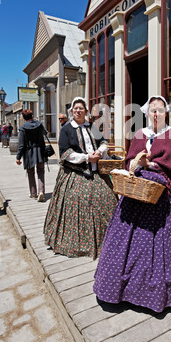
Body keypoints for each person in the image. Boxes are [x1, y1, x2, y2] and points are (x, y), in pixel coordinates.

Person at [93, 96, 171, 313]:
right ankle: (122, 288)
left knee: (170, 240)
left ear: (166, 113)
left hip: (163, 193)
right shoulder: (139, 134)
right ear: (147, 113)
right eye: (153, 110)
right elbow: (129, 161)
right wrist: (138, 164)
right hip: (137, 191)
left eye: (160, 110)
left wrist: (152, 164)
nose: (156, 114)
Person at [43, 97, 118, 259]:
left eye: (81, 108)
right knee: (77, 200)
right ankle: (79, 242)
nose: (78, 111)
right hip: (75, 172)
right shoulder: (66, 129)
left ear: (86, 111)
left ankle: (108, 240)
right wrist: (86, 158)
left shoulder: (93, 127)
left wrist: (100, 151)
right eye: (75, 109)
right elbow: (65, 153)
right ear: (72, 111)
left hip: (97, 172)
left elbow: (104, 141)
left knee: (106, 199)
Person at [16, 110, 47, 202]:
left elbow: (21, 144)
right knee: (41, 171)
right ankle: (41, 191)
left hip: (29, 152)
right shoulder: (39, 124)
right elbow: (45, 133)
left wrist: (18, 157)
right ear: (32, 116)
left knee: (30, 172)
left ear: (24, 118)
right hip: (40, 150)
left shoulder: (23, 128)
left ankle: (33, 193)